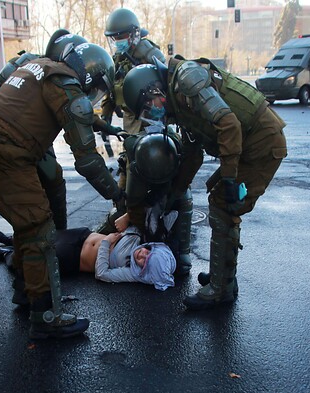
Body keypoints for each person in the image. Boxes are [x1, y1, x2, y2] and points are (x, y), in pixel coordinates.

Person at [0, 42, 124, 339]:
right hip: (7, 154)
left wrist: (106, 126)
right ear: (91, 74)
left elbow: (75, 112)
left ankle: (27, 294)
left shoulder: (41, 68)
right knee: (39, 229)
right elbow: (88, 160)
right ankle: (46, 317)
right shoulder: (65, 82)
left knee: (28, 227)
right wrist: (116, 195)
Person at [122, 58, 287, 310]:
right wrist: (172, 195)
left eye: (147, 107)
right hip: (247, 142)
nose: (151, 113)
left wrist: (230, 178)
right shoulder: (179, 101)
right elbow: (192, 154)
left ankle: (220, 290)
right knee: (220, 199)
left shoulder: (188, 80)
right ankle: (223, 277)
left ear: (154, 90)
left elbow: (229, 125)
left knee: (224, 205)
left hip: (261, 143)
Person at [98, 128, 194, 275]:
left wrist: (161, 211)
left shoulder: (181, 152)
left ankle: (183, 250)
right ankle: (101, 234)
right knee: (122, 209)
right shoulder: (134, 154)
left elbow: (178, 190)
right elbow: (133, 203)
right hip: (139, 172)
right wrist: (129, 216)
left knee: (183, 199)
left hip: (171, 176)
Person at [0, 226, 176, 291]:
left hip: (74, 258)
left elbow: (102, 274)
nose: (142, 254)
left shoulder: (132, 273)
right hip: (81, 235)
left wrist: (106, 242)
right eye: (148, 252)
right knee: (43, 236)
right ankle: (8, 239)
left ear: (144, 271)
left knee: (34, 259)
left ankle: (4, 254)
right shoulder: (143, 241)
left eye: (144, 262)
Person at [101, 8, 166, 136]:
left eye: (122, 36)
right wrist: (105, 116)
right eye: (115, 38)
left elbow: (166, 84)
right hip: (130, 121)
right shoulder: (118, 59)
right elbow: (111, 88)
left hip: (152, 121)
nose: (118, 40)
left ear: (133, 33)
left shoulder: (150, 55)